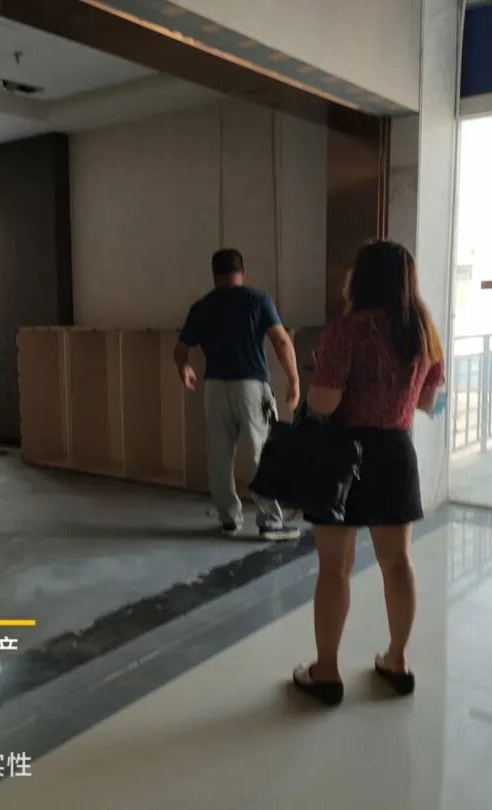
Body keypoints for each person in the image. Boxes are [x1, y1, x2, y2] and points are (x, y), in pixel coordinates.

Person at [291, 240, 445, 705]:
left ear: (361, 278)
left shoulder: (346, 330)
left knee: (334, 568)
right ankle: (397, 661)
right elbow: (427, 401)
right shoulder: (424, 333)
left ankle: (326, 672)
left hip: (343, 456)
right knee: (397, 563)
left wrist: (315, 383)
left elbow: (326, 403)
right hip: (396, 453)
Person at [174, 248, 302, 541]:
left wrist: (184, 368)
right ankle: (270, 521)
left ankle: (229, 519)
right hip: (250, 387)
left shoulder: (201, 307)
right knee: (261, 453)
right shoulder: (258, 300)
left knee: (220, 456)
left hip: (214, 388)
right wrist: (294, 379)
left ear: (214, 275)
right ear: (242, 272)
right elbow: (281, 341)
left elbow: (180, 349)